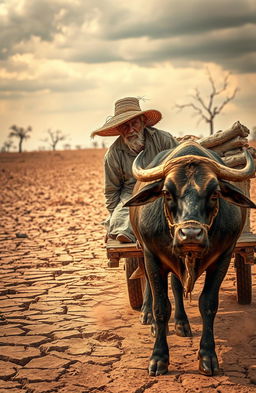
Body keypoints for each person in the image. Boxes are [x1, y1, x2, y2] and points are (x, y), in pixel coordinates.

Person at [91, 97, 178, 243]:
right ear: (119, 129)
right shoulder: (113, 154)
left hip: (164, 191)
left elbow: (180, 169)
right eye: (125, 126)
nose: (131, 130)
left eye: (134, 123)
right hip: (131, 197)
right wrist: (114, 216)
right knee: (121, 224)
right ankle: (126, 230)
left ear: (143, 122)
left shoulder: (163, 139)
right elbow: (111, 191)